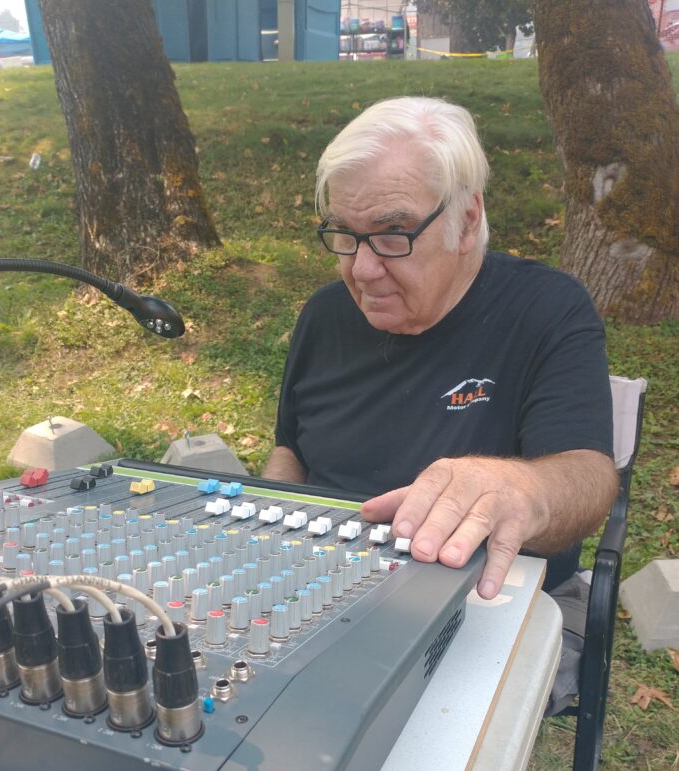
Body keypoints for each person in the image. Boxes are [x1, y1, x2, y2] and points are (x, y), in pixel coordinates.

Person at [264, 96, 619, 714]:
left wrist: (514, 486)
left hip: (491, 601)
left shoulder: (547, 310)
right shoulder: (325, 315)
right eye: (343, 235)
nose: (363, 268)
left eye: (393, 234)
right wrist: (271, 523)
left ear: (467, 215)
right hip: (322, 589)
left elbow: (587, 477)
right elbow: (290, 448)